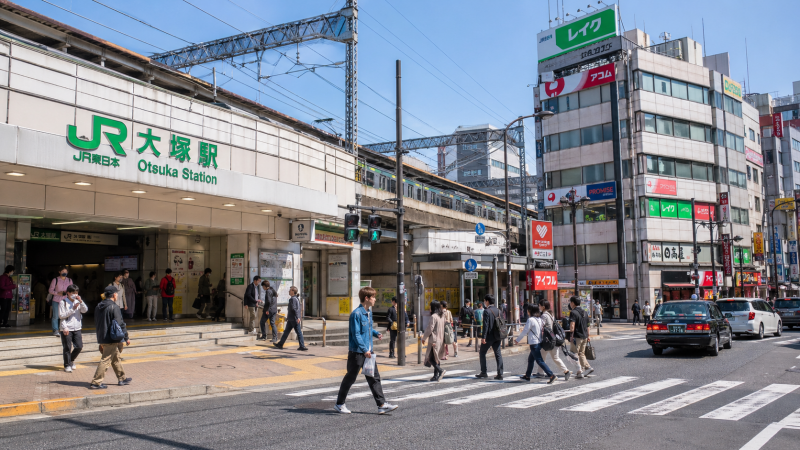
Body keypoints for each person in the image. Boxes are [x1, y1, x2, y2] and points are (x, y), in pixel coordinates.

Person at [333, 287, 398, 415]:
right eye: (373, 297)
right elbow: (356, 334)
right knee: (350, 378)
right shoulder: (356, 314)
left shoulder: (369, 312)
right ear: (366, 298)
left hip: (368, 351)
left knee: (374, 378)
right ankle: (339, 404)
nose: (375, 299)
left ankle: (381, 405)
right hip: (357, 352)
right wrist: (364, 350)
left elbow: (367, 329)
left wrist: (376, 333)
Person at [89, 285, 132, 389]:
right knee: (106, 359)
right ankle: (96, 382)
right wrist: (126, 337)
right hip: (111, 337)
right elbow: (120, 323)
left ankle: (122, 378)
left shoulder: (98, 306)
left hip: (102, 336)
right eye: (117, 293)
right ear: (114, 295)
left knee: (116, 358)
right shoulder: (114, 307)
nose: (117, 295)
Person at [516, 304, 557, 384]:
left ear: (530, 311)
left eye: (528, 310)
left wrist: (517, 339)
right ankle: (527, 376)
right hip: (539, 341)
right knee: (530, 359)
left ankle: (551, 375)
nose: (527, 312)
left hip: (534, 343)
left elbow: (525, 331)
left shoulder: (530, 320)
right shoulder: (539, 319)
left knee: (539, 360)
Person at [535, 299, 571, 381]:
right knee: (547, 356)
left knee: (548, 357)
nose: (539, 307)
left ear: (543, 307)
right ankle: (540, 372)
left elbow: (541, 326)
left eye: (539, 305)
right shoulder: (551, 314)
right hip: (553, 338)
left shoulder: (544, 315)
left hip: (548, 339)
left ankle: (566, 371)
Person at [58, 284, 87, 372]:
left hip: (77, 327)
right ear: (68, 293)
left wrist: (81, 302)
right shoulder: (63, 302)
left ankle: (70, 360)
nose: (75, 294)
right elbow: (61, 316)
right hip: (67, 328)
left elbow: (85, 310)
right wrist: (72, 309)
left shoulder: (77, 301)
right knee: (67, 347)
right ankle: (67, 365)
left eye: (76, 292)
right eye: (73, 292)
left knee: (79, 346)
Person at [476, 294, 503, 380]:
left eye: (485, 301)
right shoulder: (499, 311)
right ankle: (500, 373)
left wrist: (483, 337)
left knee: (482, 353)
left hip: (488, 337)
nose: (484, 302)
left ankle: (484, 372)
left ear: (487, 301)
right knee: (498, 354)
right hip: (497, 336)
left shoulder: (487, 311)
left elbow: (486, 325)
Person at [275, 286, 308, 351]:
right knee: (286, 332)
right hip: (291, 319)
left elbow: (294, 309)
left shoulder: (293, 299)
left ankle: (302, 346)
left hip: (293, 319)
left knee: (298, 332)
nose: (289, 291)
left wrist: (298, 317)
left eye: (290, 290)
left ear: (293, 291)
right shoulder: (296, 298)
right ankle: (280, 344)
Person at [569, 297, 594, 379]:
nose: (570, 304)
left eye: (570, 302)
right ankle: (587, 367)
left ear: (573, 303)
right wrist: (588, 336)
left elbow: (572, 326)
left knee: (573, 353)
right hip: (585, 336)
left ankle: (580, 371)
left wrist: (570, 335)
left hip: (577, 336)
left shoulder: (573, 312)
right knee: (581, 353)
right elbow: (588, 326)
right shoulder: (585, 312)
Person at [421, 300, 447, 382]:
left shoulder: (433, 316)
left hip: (434, 340)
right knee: (436, 358)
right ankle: (435, 376)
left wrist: (424, 338)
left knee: (430, 358)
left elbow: (430, 328)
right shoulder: (442, 316)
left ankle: (440, 370)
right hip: (441, 339)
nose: (429, 308)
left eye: (430, 306)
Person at [49, 266, 73, 336]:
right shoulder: (55, 280)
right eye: (63, 272)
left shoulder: (69, 280)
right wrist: (58, 293)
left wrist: (68, 293)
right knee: (56, 316)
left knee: (66, 315)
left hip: (66, 300)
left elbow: (72, 290)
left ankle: (64, 328)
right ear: (59, 272)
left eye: (66, 272)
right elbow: (50, 290)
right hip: (56, 300)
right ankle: (55, 330)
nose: (64, 273)